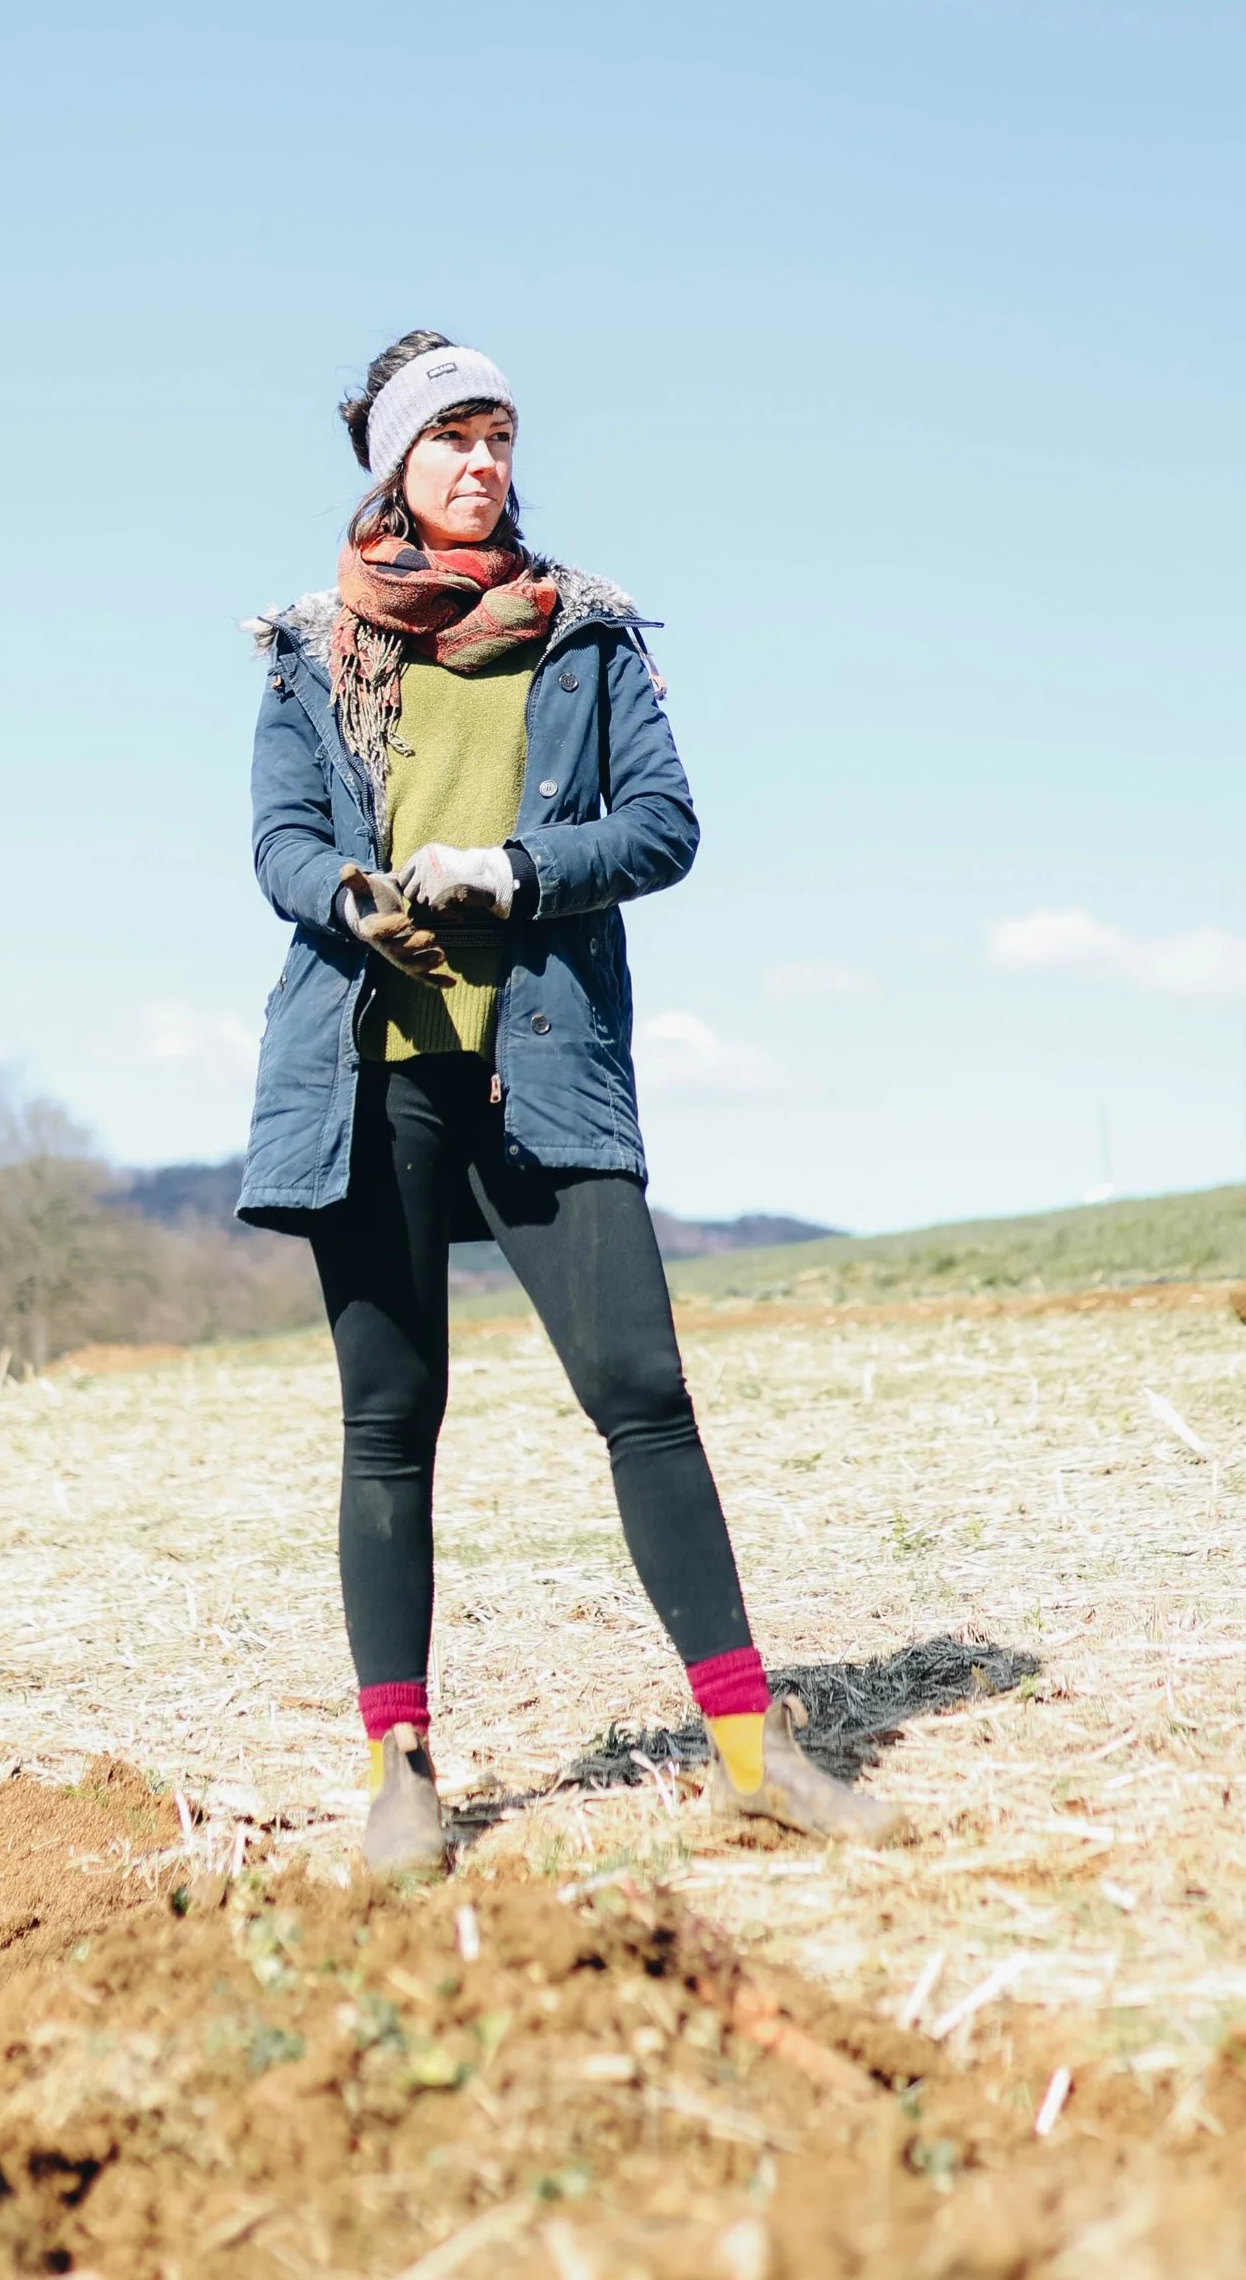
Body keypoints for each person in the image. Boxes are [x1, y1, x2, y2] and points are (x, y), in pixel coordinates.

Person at [237, 329, 894, 1875]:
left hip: (545, 1058)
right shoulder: (305, 648)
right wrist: (348, 893)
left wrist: (520, 871)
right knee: (391, 1424)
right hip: (372, 1065)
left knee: (643, 1393)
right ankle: (401, 1772)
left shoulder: (585, 633)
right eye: (452, 436)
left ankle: (750, 1744)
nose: (483, 462)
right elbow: (273, 843)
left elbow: (664, 824)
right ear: (396, 462)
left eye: (501, 435)